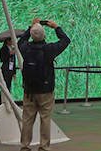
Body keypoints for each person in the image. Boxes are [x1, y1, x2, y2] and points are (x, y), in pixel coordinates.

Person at [18, 18, 70, 151]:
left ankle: (25, 146)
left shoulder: (25, 48)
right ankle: (44, 146)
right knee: (45, 119)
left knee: (27, 119)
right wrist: (56, 27)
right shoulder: (49, 49)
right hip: (46, 91)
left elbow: (21, 41)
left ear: (31, 35)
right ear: (44, 35)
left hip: (29, 91)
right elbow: (65, 40)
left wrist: (31, 27)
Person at [0, 37, 17, 105]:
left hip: (10, 70)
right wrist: (10, 54)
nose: (12, 42)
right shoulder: (3, 49)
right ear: (7, 41)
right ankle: (1, 101)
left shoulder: (12, 49)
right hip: (5, 69)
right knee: (5, 86)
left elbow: (13, 61)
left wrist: (14, 72)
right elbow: (2, 59)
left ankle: (7, 101)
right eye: (11, 40)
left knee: (9, 86)